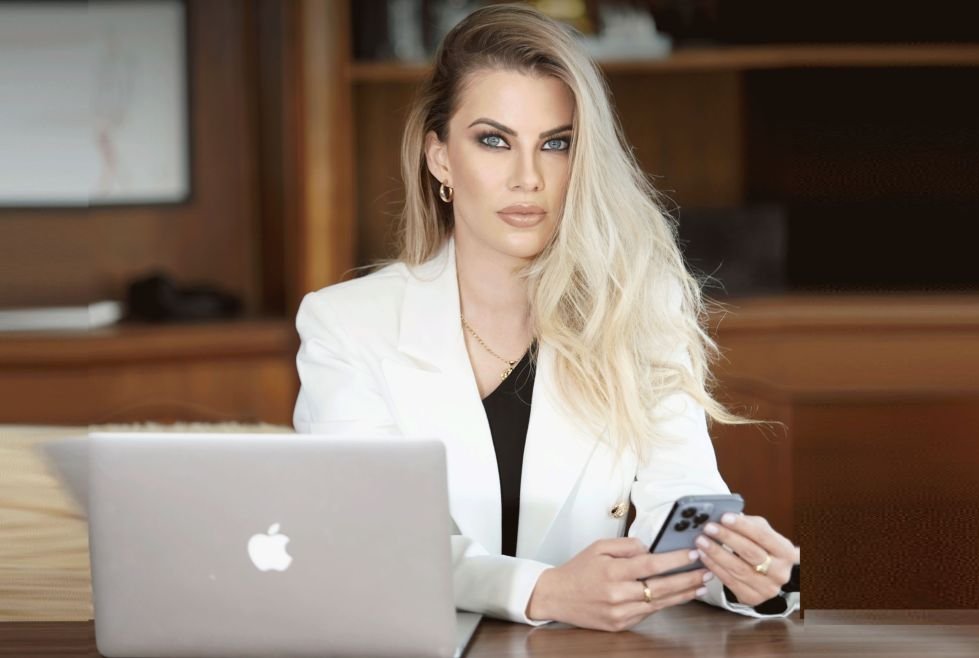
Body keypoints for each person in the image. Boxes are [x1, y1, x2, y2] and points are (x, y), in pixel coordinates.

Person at [293, 3, 800, 632]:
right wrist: (541, 591)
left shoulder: (640, 309)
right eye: (494, 141)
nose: (528, 177)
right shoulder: (345, 325)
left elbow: (678, 506)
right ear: (440, 158)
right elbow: (367, 538)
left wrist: (748, 575)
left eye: (556, 144)